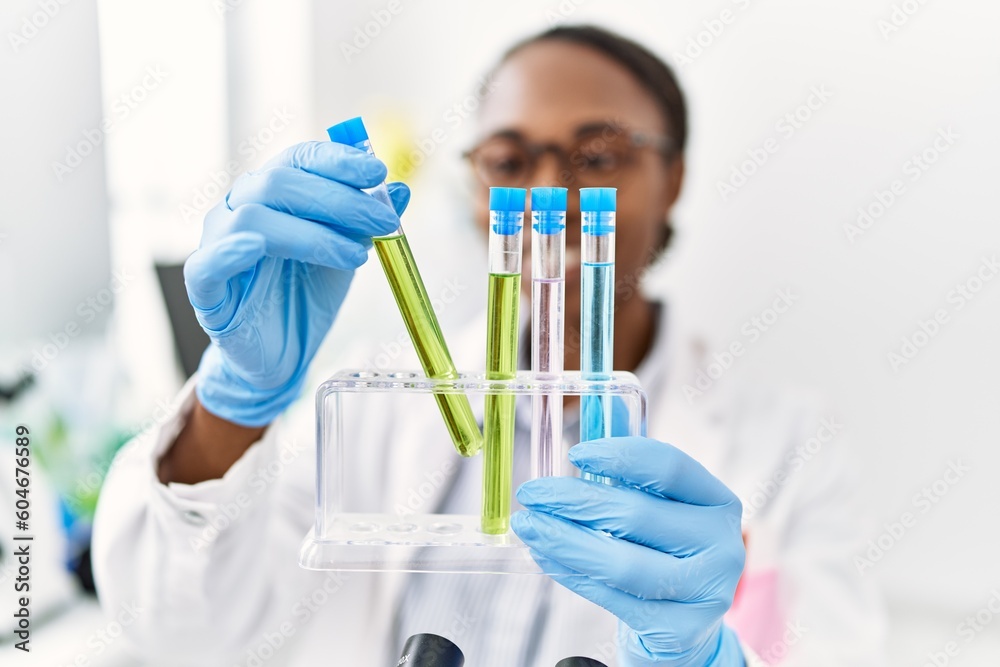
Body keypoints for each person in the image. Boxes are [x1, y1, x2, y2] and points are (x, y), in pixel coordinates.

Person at [92, 26, 886, 666]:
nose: (547, 197)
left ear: (673, 177)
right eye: (507, 161)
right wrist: (234, 399)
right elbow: (169, 626)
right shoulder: (379, 401)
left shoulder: (787, 445)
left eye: (599, 156)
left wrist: (709, 658)